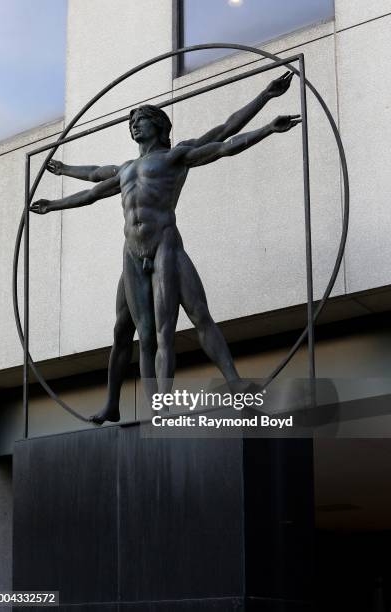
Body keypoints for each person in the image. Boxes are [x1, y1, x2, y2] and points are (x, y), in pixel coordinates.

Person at [31, 71, 300, 424]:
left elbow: (223, 138)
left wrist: (266, 107)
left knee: (174, 326)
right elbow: (95, 183)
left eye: (141, 122)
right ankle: (115, 404)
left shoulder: (175, 157)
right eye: (132, 124)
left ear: (158, 126)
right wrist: (60, 186)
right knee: (126, 332)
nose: (134, 128)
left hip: (163, 244)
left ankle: (198, 397)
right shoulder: (125, 168)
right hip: (132, 250)